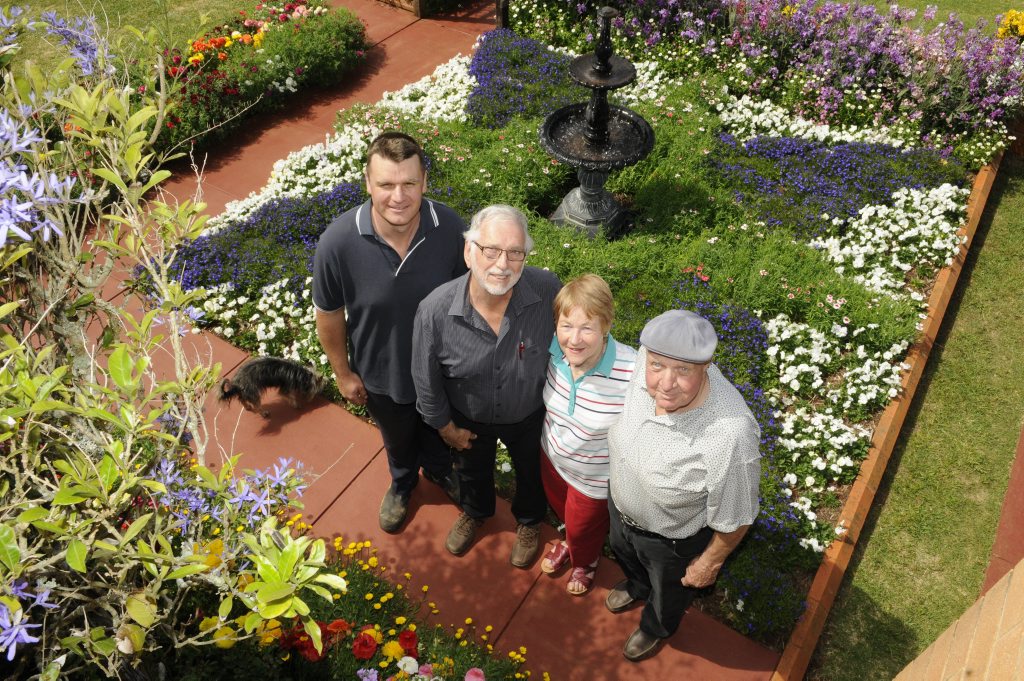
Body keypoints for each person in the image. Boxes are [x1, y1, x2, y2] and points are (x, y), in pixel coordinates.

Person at [312, 131, 466, 534]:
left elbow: (471, 298)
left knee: (436, 431)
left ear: (424, 182)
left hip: (441, 372)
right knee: (397, 438)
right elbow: (329, 314)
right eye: (386, 184)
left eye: (409, 183)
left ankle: (437, 469)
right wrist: (343, 373)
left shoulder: (450, 228)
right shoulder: (338, 242)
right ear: (368, 183)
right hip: (380, 373)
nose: (398, 196)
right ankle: (403, 482)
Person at [604, 309, 761, 662]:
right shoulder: (650, 356)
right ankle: (636, 585)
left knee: (668, 593)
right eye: (658, 365)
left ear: (706, 367)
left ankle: (656, 626)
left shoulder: (729, 436)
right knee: (625, 555)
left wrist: (709, 563)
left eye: (684, 371)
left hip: (670, 542)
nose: (665, 383)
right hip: (620, 511)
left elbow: (737, 517)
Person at [411, 204, 561, 568]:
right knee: (472, 469)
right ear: (468, 251)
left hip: (528, 414)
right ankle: (475, 511)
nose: (502, 264)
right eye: (490, 250)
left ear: (525, 257)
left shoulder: (548, 290)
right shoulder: (434, 311)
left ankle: (529, 521)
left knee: (531, 471)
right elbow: (425, 379)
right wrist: (445, 427)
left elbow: (576, 338)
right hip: (468, 417)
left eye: (514, 252)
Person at [539, 274, 636, 596]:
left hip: (593, 478)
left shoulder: (633, 373)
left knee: (584, 528)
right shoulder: (552, 351)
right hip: (551, 458)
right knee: (562, 512)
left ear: (606, 326)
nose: (574, 340)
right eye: (566, 325)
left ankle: (585, 559)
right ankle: (569, 541)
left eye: (587, 328)